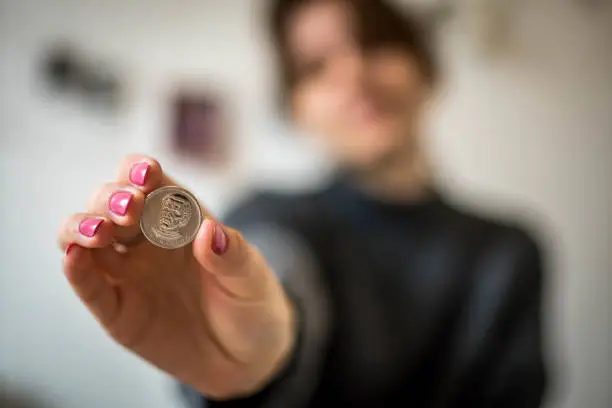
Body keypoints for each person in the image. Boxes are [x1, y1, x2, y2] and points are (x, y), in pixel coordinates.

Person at [57, 0, 548, 407]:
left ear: (426, 68)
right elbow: (279, 275)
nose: (353, 73)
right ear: (297, 108)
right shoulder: (269, 217)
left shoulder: (509, 252)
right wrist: (258, 361)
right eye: (316, 67)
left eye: (374, 43)